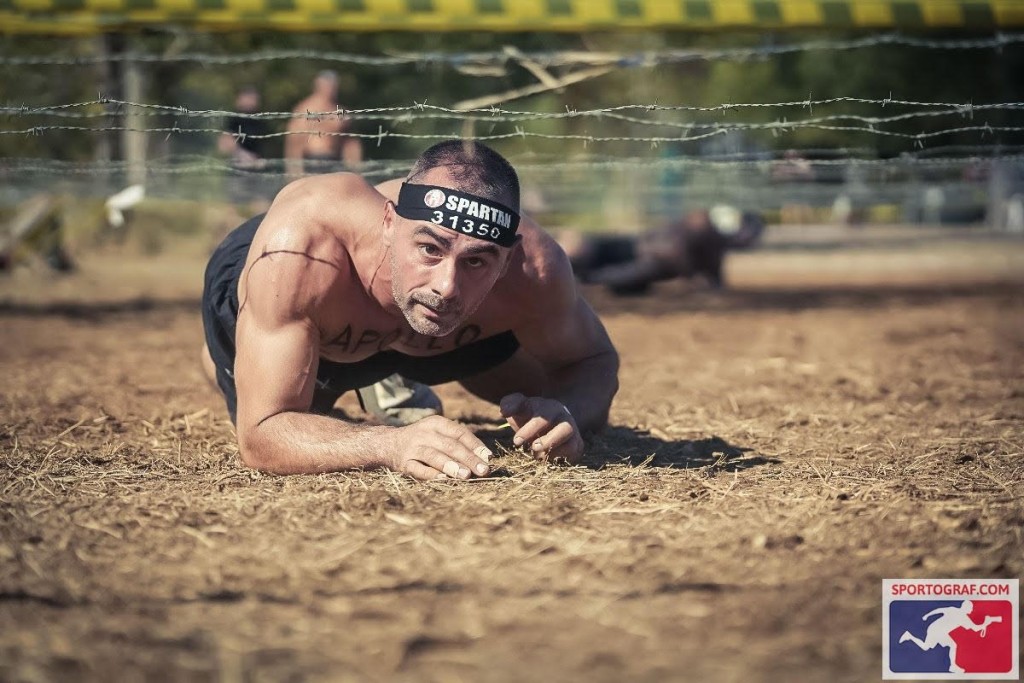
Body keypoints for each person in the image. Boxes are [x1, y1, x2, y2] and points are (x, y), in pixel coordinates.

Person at [201, 140, 619, 480]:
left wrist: (567, 414)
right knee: (281, 399)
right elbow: (262, 434)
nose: (446, 286)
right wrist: (391, 443)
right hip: (316, 305)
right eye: (429, 248)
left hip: (447, 337)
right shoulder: (304, 247)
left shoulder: (536, 269)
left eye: (476, 261)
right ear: (388, 223)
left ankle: (393, 374)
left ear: (507, 260)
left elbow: (592, 363)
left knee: (536, 399)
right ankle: (225, 356)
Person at [557, 206, 765, 295]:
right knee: (614, 275)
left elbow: (712, 264)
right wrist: (690, 274)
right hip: (656, 258)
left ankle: (575, 270)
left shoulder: (711, 232)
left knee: (625, 279)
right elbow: (691, 257)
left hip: (651, 250)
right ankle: (575, 272)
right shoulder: (709, 230)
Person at [285, 70, 363, 178]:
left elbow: (351, 143)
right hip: (313, 161)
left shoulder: (340, 111)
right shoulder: (306, 109)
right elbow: (295, 142)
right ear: (318, 85)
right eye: (326, 84)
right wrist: (295, 172)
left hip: (336, 162)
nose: (330, 88)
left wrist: (355, 170)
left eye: (332, 84)